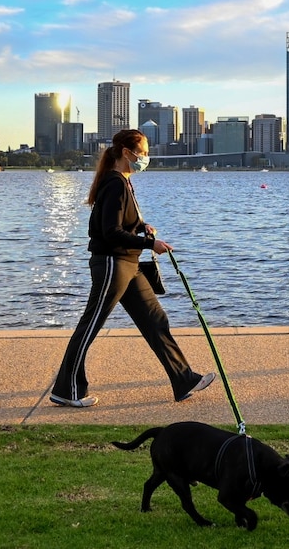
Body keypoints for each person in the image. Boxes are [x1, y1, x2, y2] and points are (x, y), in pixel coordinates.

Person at [50, 129, 215, 407]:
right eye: (144, 152)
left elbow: (122, 222)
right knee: (90, 327)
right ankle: (67, 390)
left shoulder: (123, 183)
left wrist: (142, 227)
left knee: (155, 320)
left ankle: (183, 378)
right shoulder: (115, 183)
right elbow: (110, 232)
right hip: (113, 264)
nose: (146, 157)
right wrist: (151, 245)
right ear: (127, 153)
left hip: (130, 264)